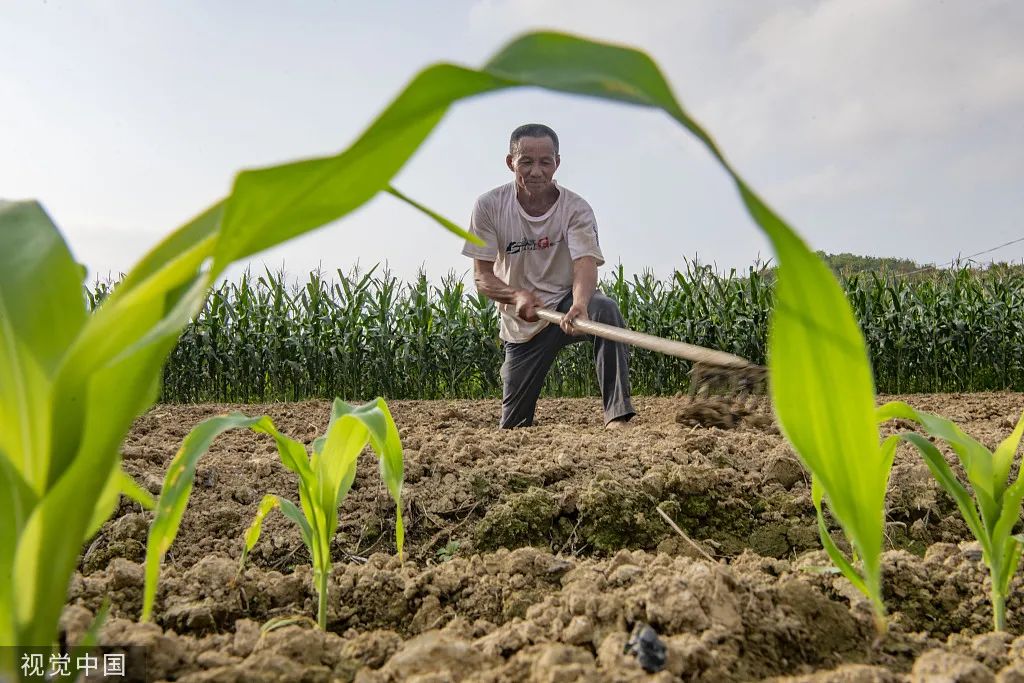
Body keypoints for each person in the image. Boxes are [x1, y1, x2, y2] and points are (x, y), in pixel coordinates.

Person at [462, 123, 636, 429]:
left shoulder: (576, 208)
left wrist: (580, 303)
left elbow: (584, 262)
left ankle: (617, 416)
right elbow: (482, 277)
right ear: (510, 162)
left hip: (566, 305)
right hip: (523, 324)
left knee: (605, 310)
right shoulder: (489, 206)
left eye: (545, 162)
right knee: (514, 426)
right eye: (526, 162)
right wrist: (515, 296)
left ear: (557, 163)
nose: (536, 171)